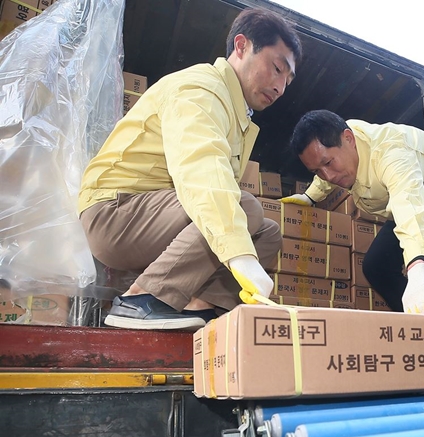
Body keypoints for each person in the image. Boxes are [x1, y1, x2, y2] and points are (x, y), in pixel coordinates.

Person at [78, 8, 302, 330]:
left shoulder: (234, 111)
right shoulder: (201, 89)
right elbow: (202, 170)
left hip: (149, 216)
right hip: (114, 212)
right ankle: (141, 300)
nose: (280, 86)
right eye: (277, 68)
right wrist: (241, 258)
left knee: (267, 233)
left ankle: (200, 307)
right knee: (242, 207)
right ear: (241, 47)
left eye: (287, 80)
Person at [283, 110, 424, 314]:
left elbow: (408, 202)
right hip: (409, 200)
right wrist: (310, 196)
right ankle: (415, 317)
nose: (328, 176)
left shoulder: (390, 151)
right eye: (317, 171)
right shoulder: (339, 144)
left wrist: (417, 267)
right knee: (374, 265)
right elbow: (324, 167)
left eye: (328, 164)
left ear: (348, 139)